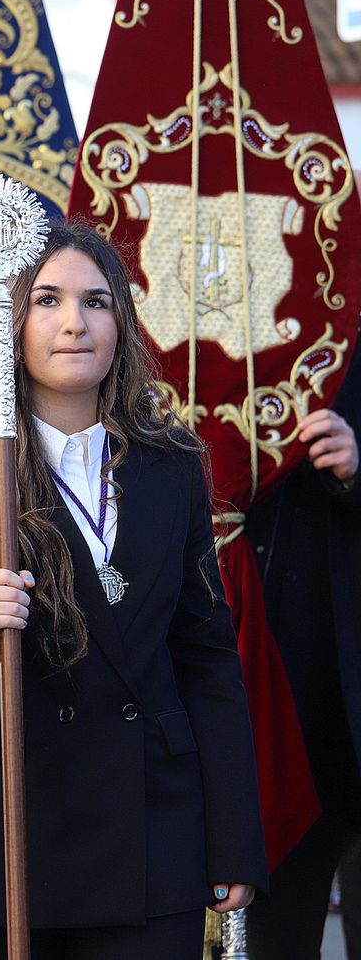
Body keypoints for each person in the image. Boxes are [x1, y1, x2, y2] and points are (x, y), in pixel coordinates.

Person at [0, 224, 267, 958]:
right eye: (47, 299)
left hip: (147, 835)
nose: (74, 321)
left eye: (97, 301)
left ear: (123, 322)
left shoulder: (172, 463)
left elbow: (207, 659)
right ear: (9, 322)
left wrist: (235, 839)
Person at [241, 322, 361, 959]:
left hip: (347, 697)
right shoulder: (247, 334)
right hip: (276, 695)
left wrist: (356, 463)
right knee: (278, 938)